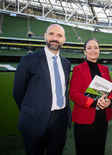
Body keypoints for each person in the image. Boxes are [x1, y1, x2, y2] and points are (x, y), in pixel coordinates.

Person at [13, 24, 71, 155]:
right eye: (51, 34)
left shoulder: (66, 63)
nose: (55, 38)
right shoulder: (28, 60)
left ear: (64, 40)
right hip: (35, 120)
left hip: (60, 120)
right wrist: (31, 112)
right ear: (45, 36)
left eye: (59, 35)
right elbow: (18, 92)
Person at [69, 39, 112, 155]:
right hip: (84, 118)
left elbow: (111, 90)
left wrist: (109, 101)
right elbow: (73, 94)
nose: (93, 50)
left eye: (96, 47)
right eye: (89, 48)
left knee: (99, 149)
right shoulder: (78, 69)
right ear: (84, 51)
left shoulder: (104, 69)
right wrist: (94, 103)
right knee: (85, 150)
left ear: (99, 50)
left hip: (102, 117)